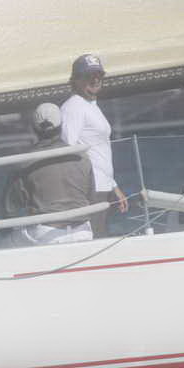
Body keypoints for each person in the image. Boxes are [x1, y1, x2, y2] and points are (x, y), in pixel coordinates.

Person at [1, 103, 95, 246]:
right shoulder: (82, 157)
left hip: (47, 235)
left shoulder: (24, 162)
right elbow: (91, 196)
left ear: (34, 129)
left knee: (4, 242)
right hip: (83, 231)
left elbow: (10, 208)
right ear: (61, 126)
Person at [60, 53, 128, 237]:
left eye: (99, 75)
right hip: (89, 189)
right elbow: (67, 150)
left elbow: (100, 150)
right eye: (90, 75)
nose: (96, 79)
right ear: (76, 80)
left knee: (101, 237)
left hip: (102, 186)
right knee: (94, 239)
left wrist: (114, 186)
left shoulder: (91, 105)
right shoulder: (73, 107)